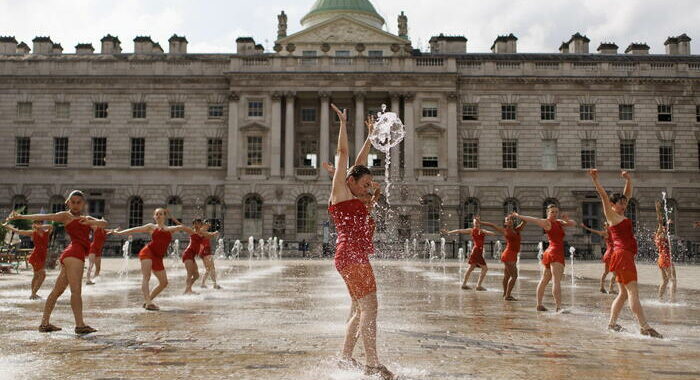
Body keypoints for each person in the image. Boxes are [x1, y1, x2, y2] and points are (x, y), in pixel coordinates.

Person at [327, 104, 395, 379]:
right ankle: (372, 364)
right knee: (370, 307)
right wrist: (343, 123)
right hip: (352, 256)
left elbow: (358, 161)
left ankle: (346, 357)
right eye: (365, 184)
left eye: (370, 185)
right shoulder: (340, 193)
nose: (369, 188)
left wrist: (369, 137)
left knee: (358, 308)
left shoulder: (353, 194)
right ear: (351, 181)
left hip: (351, 256)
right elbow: (344, 155)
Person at [7, 190, 107, 335]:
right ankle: (80, 325)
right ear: (68, 203)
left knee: (57, 291)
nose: (76, 205)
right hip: (74, 254)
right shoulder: (66, 216)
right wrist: (22, 216)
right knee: (76, 291)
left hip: (71, 254)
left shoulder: (87, 218)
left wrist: (93, 221)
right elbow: (45, 216)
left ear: (84, 204)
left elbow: (104, 223)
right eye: (73, 202)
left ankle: (44, 323)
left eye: (79, 202)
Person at [588, 169, 662, 338]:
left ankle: (612, 324)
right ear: (613, 205)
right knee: (633, 293)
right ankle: (644, 326)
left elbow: (627, 193)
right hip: (623, 256)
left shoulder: (620, 214)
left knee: (622, 294)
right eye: (620, 203)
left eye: (624, 203)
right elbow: (603, 197)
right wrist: (595, 180)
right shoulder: (612, 216)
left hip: (622, 256)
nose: (624, 205)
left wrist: (628, 180)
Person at [113, 209, 195, 310]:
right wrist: (119, 233)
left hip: (158, 257)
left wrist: (198, 233)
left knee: (164, 283)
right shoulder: (151, 227)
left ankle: (148, 300)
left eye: (160, 214)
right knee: (146, 276)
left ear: (164, 216)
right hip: (148, 252)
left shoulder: (170, 229)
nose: (158, 215)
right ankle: (148, 302)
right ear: (154, 217)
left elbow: (182, 227)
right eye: (156, 214)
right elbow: (135, 229)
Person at [513, 205, 576, 312]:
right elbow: (533, 219)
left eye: (556, 212)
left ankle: (539, 304)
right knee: (556, 281)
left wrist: (566, 220)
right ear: (547, 213)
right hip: (555, 252)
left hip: (549, 252)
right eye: (552, 212)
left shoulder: (558, 221)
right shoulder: (546, 222)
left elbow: (573, 223)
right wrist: (519, 216)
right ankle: (559, 307)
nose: (555, 214)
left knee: (544, 280)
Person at [479, 215, 526, 300]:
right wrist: (481, 222)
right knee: (514, 276)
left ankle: (505, 294)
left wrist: (517, 215)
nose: (510, 220)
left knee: (507, 276)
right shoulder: (505, 230)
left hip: (512, 255)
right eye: (508, 219)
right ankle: (507, 295)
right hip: (508, 255)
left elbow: (525, 221)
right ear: (505, 222)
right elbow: (492, 225)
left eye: (511, 219)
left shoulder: (517, 229)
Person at [2, 220, 53, 299]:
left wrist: (40, 227)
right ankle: (33, 293)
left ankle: (33, 294)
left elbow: (51, 226)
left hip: (42, 256)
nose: (39, 224)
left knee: (36, 276)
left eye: (40, 223)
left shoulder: (46, 232)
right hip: (36, 256)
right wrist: (7, 226)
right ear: (33, 225)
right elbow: (18, 231)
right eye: (37, 223)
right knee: (42, 275)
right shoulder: (32, 233)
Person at [443, 216, 497, 291]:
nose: (477, 224)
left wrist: (487, 231)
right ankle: (478, 285)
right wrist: (449, 232)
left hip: (476, 251)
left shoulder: (482, 231)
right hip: (477, 250)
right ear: (473, 223)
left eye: (478, 223)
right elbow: (460, 230)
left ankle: (464, 284)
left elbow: (493, 234)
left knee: (471, 268)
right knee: (485, 268)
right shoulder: (472, 230)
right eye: (475, 223)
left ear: (480, 223)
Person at [580, 222, 616, 294]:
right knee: (611, 273)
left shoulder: (614, 233)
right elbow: (595, 231)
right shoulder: (605, 233)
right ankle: (607, 288)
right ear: (604, 227)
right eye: (607, 225)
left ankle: (605, 288)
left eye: (609, 225)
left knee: (610, 272)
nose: (609, 226)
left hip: (612, 254)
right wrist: (586, 227)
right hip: (610, 254)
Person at [654, 201, 676, 301]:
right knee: (673, 279)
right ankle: (672, 300)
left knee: (665, 281)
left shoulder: (658, 235)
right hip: (666, 257)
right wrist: (658, 210)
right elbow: (659, 221)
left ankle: (660, 299)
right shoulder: (661, 231)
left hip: (661, 258)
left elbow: (661, 222)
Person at [180, 219, 205, 295]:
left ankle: (187, 289)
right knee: (189, 274)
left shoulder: (202, 233)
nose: (197, 225)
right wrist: (171, 217)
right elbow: (181, 226)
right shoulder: (192, 231)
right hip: (188, 254)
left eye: (199, 224)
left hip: (192, 256)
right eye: (195, 224)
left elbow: (202, 243)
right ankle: (188, 290)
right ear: (193, 225)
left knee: (196, 275)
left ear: (201, 225)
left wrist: (215, 233)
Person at [199, 221, 222, 290]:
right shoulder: (201, 230)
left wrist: (214, 233)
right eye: (208, 225)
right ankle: (214, 284)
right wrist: (215, 233)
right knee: (211, 267)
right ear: (204, 224)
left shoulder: (204, 230)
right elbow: (208, 235)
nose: (209, 226)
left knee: (209, 269)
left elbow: (209, 235)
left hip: (206, 251)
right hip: (204, 251)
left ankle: (203, 284)